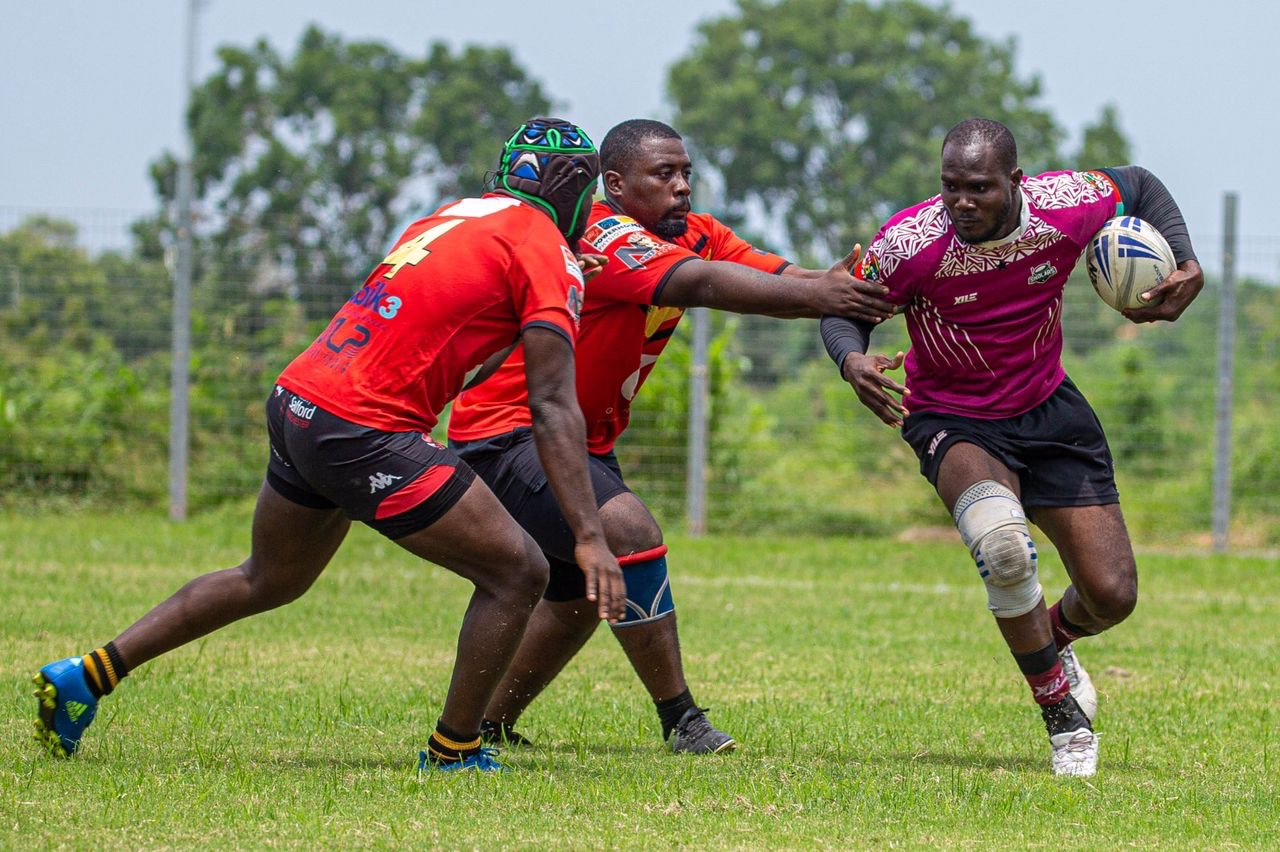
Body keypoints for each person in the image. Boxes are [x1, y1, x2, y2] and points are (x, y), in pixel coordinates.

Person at [32, 117, 627, 773]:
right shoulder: (544, 248)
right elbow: (550, 403)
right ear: (576, 188)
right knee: (520, 572)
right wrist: (590, 535)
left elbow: (461, 350)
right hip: (362, 427)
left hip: (299, 403)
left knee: (269, 578)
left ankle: (85, 676)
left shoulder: (454, 217)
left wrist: (550, 278)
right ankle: (454, 751)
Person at [446, 118, 896, 753]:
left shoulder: (696, 232)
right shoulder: (599, 233)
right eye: (665, 175)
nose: (683, 186)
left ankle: (484, 725)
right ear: (615, 184)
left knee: (578, 594)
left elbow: (786, 278)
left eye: (686, 172)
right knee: (629, 532)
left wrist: (855, 303)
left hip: (580, 442)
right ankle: (682, 720)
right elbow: (702, 283)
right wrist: (825, 294)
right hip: (509, 430)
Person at [820, 117, 1204, 777]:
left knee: (1112, 595)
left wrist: (1185, 257)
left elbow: (1138, 185)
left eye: (979, 188)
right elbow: (839, 303)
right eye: (950, 187)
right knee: (1001, 546)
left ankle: (1051, 640)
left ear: (1015, 183)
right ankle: (1063, 721)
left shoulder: (1066, 205)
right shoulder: (911, 242)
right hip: (953, 415)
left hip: (1048, 408)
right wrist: (850, 359)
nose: (961, 202)